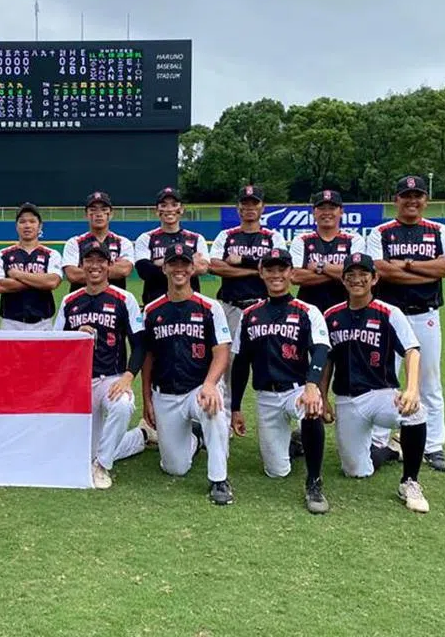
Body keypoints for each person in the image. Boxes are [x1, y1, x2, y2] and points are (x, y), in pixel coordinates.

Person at [366, 175, 445, 473]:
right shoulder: (381, 232)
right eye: (406, 196)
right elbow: (381, 269)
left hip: (425, 313)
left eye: (417, 195)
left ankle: (433, 445)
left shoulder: (438, 230)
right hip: (389, 316)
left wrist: (407, 265)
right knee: (384, 378)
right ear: (396, 199)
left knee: (429, 380)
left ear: (425, 199)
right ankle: (379, 440)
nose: (412, 201)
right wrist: (427, 272)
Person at [322, 253, 430, 512]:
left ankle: (410, 481)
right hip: (347, 399)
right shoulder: (331, 315)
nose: (356, 280)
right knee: (356, 471)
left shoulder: (388, 312)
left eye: (363, 275)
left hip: (382, 394)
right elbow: (327, 360)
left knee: (416, 413)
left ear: (374, 278)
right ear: (343, 279)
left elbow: (412, 350)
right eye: (351, 275)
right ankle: (392, 450)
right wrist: (324, 396)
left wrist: (412, 389)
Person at [228, 248, 332, 514]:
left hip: (297, 389)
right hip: (266, 395)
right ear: (261, 273)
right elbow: (240, 363)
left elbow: (321, 348)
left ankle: (314, 481)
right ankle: (296, 444)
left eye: (282, 269)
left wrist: (312, 385)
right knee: (277, 471)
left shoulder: (307, 310)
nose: (276, 275)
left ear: (291, 273)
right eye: (270, 269)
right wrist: (236, 407)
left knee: (311, 411)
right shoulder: (250, 314)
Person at [141, 244, 234, 505]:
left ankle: (219, 479)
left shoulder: (209, 307)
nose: (179, 269)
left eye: (184, 264)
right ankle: (195, 438)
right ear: (165, 268)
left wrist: (210, 384)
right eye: (173, 264)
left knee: (213, 408)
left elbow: (222, 351)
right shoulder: (152, 309)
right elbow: (148, 357)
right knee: (175, 468)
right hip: (165, 392)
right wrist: (146, 398)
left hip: (198, 387)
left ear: (193, 268)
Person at [209, 185, 296, 454]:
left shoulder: (273, 236)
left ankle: (282, 421)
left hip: (264, 308)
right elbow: (215, 266)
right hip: (231, 306)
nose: (249, 208)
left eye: (254, 203)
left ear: (262, 207)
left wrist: (242, 262)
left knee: (273, 361)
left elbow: (282, 268)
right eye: (244, 203)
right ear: (238, 208)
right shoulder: (227, 235)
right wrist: (257, 269)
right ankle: (223, 422)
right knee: (226, 365)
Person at [53, 242, 148, 489]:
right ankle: (140, 437)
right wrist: (76, 333)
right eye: (89, 261)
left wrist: (128, 377)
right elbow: (57, 345)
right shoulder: (70, 301)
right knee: (86, 449)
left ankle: (102, 466)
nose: (95, 266)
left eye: (100, 261)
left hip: (111, 378)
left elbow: (139, 343)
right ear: (82, 265)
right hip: (80, 381)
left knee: (123, 406)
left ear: (109, 265)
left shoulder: (123, 298)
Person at [289, 190, 364, 314]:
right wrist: (340, 273)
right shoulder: (301, 239)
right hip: (308, 310)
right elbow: (295, 276)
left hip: (346, 308)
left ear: (341, 212)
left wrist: (320, 266)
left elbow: (356, 275)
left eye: (332, 208)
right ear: (314, 213)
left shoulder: (354, 239)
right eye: (322, 208)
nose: (327, 213)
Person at [133, 186, 209, 307]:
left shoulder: (196, 238)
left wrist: (158, 262)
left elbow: (203, 267)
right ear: (157, 210)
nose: (169, 209)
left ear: (182, 209)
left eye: (174, 205)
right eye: (163, 205)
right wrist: (187, 262)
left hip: (191, 305)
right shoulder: (146, 238)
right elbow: (145, 271)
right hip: (155, 304)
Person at [0, 202, 63, 330]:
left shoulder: (52, 254)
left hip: (43, 323)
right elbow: (0, 285)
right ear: (16, 226)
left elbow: (52, 282)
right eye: (22, 221)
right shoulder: (3, 254)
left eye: (32, 221)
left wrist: (18, 275)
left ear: (40, 226)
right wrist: (39, 281)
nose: (27, 225)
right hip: (10, 323)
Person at [61, 191, 135, 292]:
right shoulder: (74, 242)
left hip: (115, 301)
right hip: (81, 302)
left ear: (111, 214)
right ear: (86, 214)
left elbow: (124, 270)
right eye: (93, 210)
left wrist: (88, 271)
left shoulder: (123, 242)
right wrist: (111, 268)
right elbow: (73, 275)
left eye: (104, 210)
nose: (99, 214)